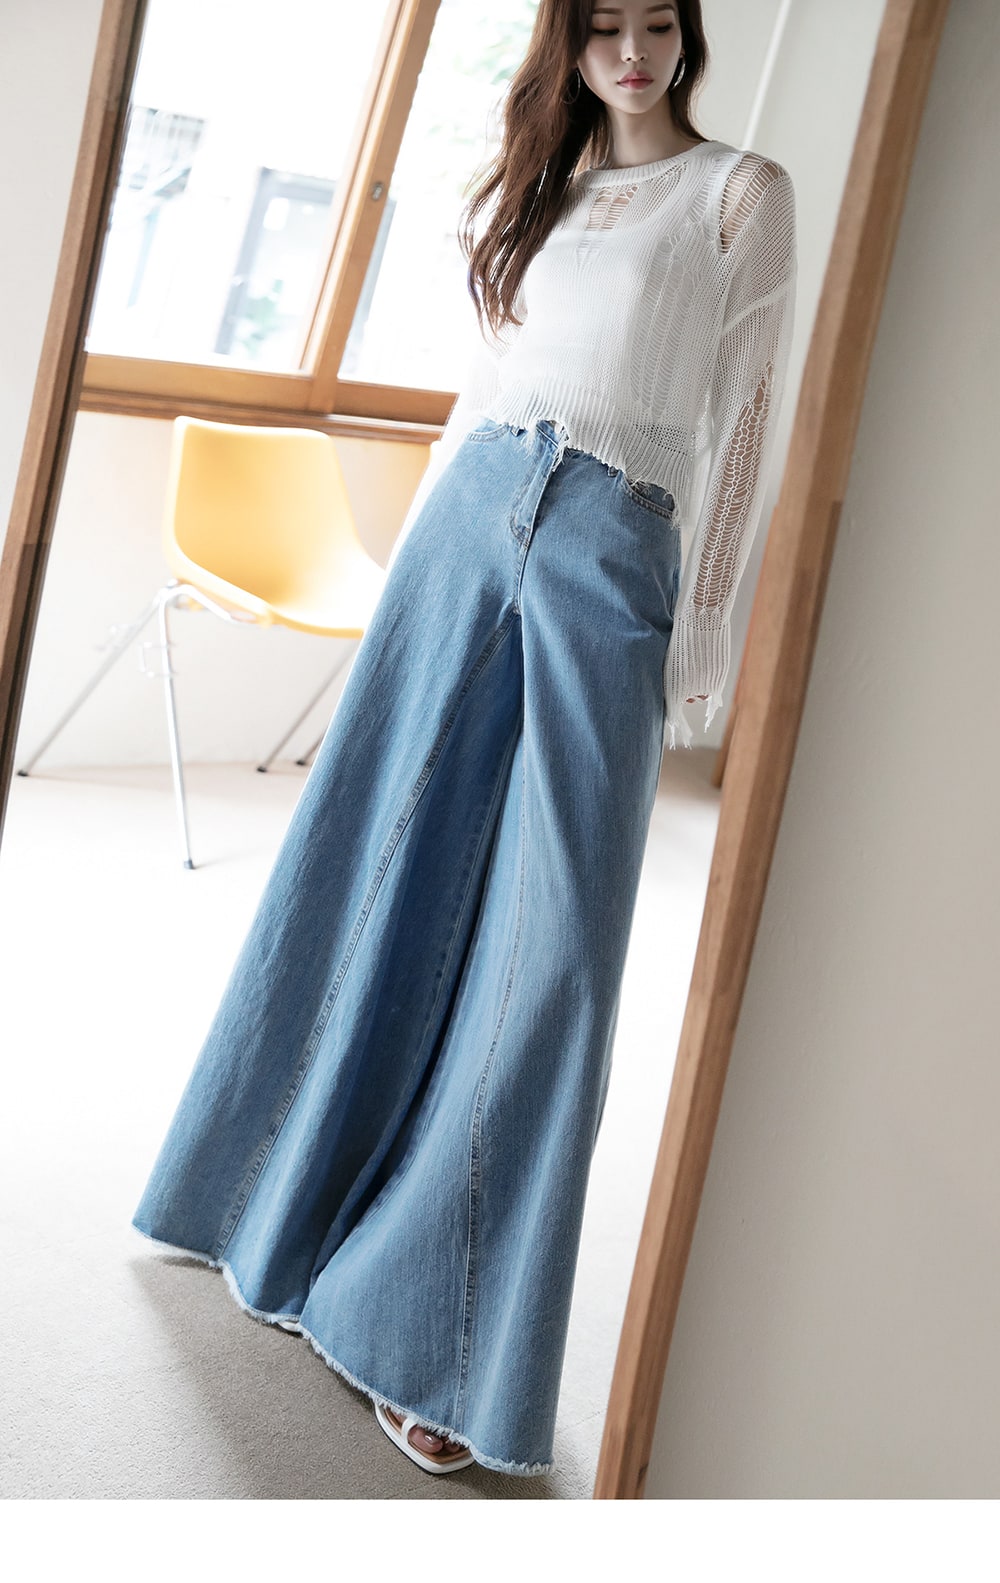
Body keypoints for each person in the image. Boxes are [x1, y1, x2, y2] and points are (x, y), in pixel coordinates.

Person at [131, 0, 797, 1480]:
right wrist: (413, 584)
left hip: (612, 543)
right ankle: (262, 1199)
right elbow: (478, 393)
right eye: (604, 26)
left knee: (555, 949)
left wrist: (701, 640)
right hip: (467, 525)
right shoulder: (534, 189)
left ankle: (428, 1327)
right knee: (370, 869)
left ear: (689, 34)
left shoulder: (739, 195)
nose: (633, 51)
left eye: (658, 23)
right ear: (571, 44)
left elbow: (747, 425)